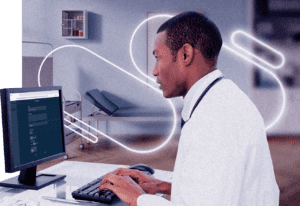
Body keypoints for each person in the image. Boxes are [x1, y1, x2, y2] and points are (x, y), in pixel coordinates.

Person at [99, 11, 279, 206]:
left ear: (185, 54)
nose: (155, 71)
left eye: (158, 58)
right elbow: (218, 188)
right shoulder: (224, 98)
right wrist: (162, 186)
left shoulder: (213, 120)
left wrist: (138, 199)